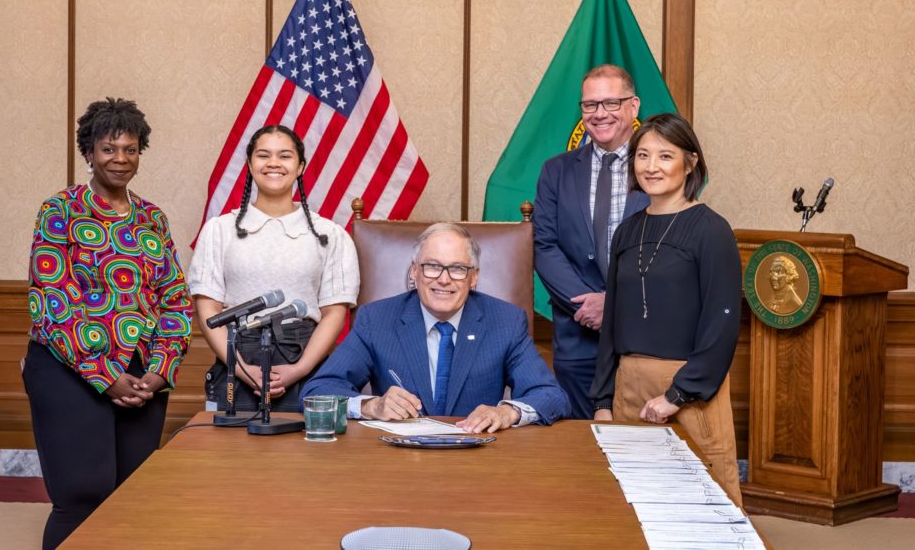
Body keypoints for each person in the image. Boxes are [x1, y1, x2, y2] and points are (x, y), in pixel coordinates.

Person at [23, 97, 192, 549]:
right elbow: (53, 303)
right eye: (108, 149)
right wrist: (105, 376)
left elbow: (175, 301)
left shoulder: (152, 217)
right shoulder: (60, 211)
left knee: (130, 499)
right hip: (68, 371)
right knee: (82, 496)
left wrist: (158, 372)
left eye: (131, 149)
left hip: (141, 377)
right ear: (89, 152)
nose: (120, 159)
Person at [590, 113, 743, 505]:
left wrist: (677, 395)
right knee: (636, 501)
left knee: (698, 502)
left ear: (690, 162)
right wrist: (603, 400)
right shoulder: (627, 230)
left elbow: (721, 323)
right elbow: (612, 323)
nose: (651, 167)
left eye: (664, 155)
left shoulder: (711, 230)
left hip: (688, 390)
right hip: (628, 386)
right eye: (642, 155)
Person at [302, 223, 569, 432]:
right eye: (431, 266)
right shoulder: (377, 319)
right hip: (397, 463)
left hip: (479, 460)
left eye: (457, 268)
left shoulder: (505, 321)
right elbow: (316, 392)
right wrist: (372, 406)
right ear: (414, 272)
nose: (443, 279)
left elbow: (550, 396)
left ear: (474, 277)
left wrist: (507, 412)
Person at [188, 124, 358, 413]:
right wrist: (243, 370)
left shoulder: (330, 233)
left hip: (306, 363)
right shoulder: (219, 230)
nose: (274, 163)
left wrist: (300, 369)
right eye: (263, 155)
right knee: (230, 454)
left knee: (306, 456)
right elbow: (208, 311)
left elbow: (334, 312)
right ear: (250, 164)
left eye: (285, 156)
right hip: (236, 360)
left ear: (300, 166)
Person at [532, 64, 650, 419]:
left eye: (611, 102)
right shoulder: (556, 170)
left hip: (643, 337)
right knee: (581, 453)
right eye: (589, 105)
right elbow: (544, 246)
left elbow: (667, 253)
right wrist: (589, 307)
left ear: (634, 105)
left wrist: (613, 305)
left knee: (642, 449)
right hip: (578, 334)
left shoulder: (657, 168)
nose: (600, 114)